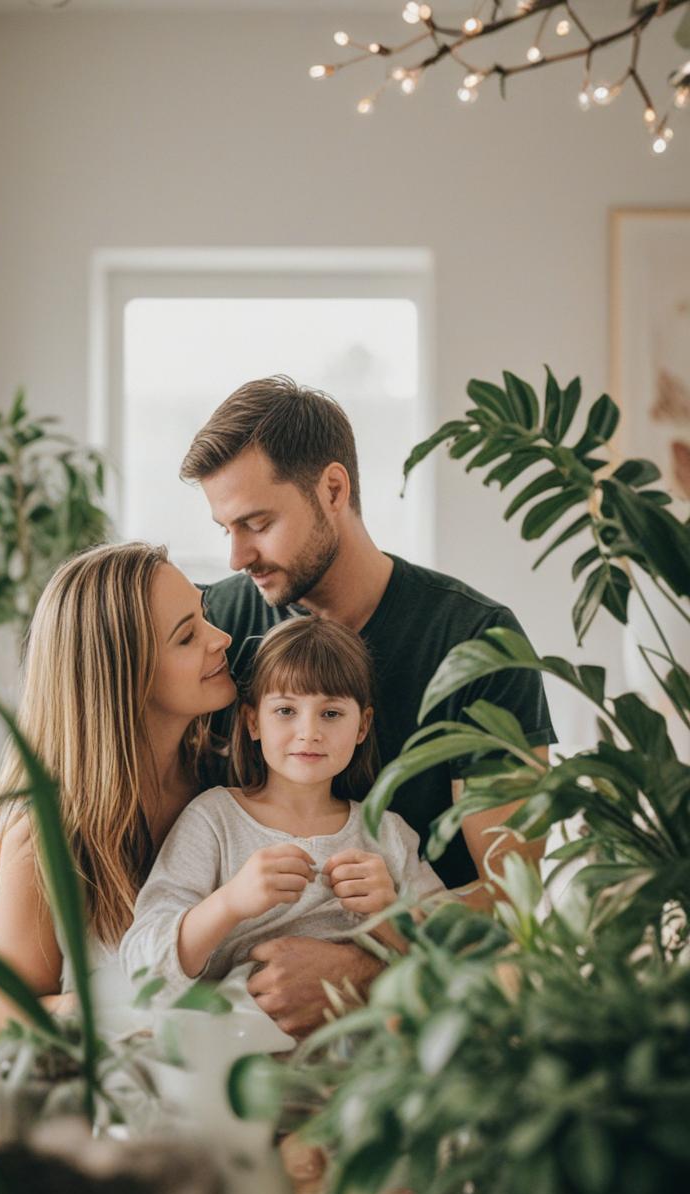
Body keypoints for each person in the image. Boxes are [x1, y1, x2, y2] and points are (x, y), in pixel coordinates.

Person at [180, 375, 556, 1036]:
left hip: (428, 1013)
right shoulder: (218, 628)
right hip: (235, 1019)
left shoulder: (477, 643)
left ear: (333, 489)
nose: (237, 556)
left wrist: (359, 972)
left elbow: (511, 898)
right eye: (225, 529)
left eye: (258, 523)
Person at [0, 541, 236, 1036]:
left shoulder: (229, 777)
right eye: (187, 637)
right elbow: (3, 1019)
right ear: (123, 678)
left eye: (203, 615)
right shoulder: (42, 838)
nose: (220, 638)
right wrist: (139, 1012)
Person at [119, 616, 445, 1010]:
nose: (309, 732)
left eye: (331, 714)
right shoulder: (213, 819)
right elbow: (141, 967)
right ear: (253, 721)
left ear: (363, 726)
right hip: (238, 1052)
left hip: (369, 1058)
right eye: (286, 710)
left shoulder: (387, 833)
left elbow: (452, 962)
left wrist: (393, 914)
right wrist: (230, 903)